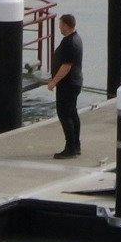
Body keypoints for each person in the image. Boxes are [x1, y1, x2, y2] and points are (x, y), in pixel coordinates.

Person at [50, 11, 84, 157]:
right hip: (74, 82)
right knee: (72, 113)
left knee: (64, 114)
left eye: (60, 25)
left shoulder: (70, 42)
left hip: (68, 84)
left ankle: (70, 147)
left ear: (66, 25)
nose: (59, 28)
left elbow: (66, 66)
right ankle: (76, 145)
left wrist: (54, 81)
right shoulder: (76, 38)